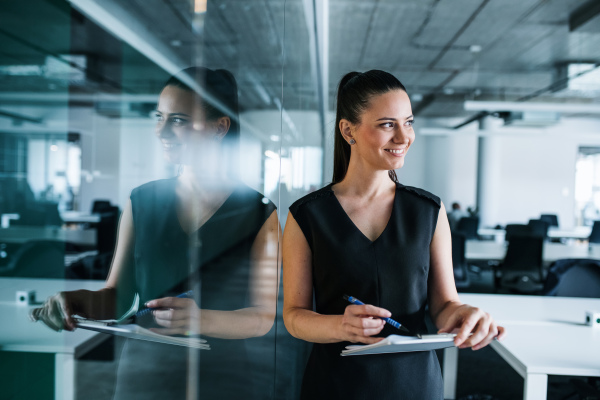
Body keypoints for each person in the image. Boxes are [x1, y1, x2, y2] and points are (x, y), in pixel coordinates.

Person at [31, 67, 280, 399]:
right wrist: (76, 301)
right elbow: (117, 297)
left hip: (222, 379)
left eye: (177, 120)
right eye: (158, 117)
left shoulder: (260, 213)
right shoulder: (141, 201)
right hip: (143, 377)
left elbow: (261, 318)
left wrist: (199, 318)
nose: (161, 131)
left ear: (219, 127)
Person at [282, 70, 506, 399]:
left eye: (409, 122)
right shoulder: (306, 215)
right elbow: (293, 316)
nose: (404, 137)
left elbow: (444, 304)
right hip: (336, 384)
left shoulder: (429, 210)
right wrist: (340, 326)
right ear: (348, 130)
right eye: (388, 124)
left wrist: (463, 314)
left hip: (414, 383)